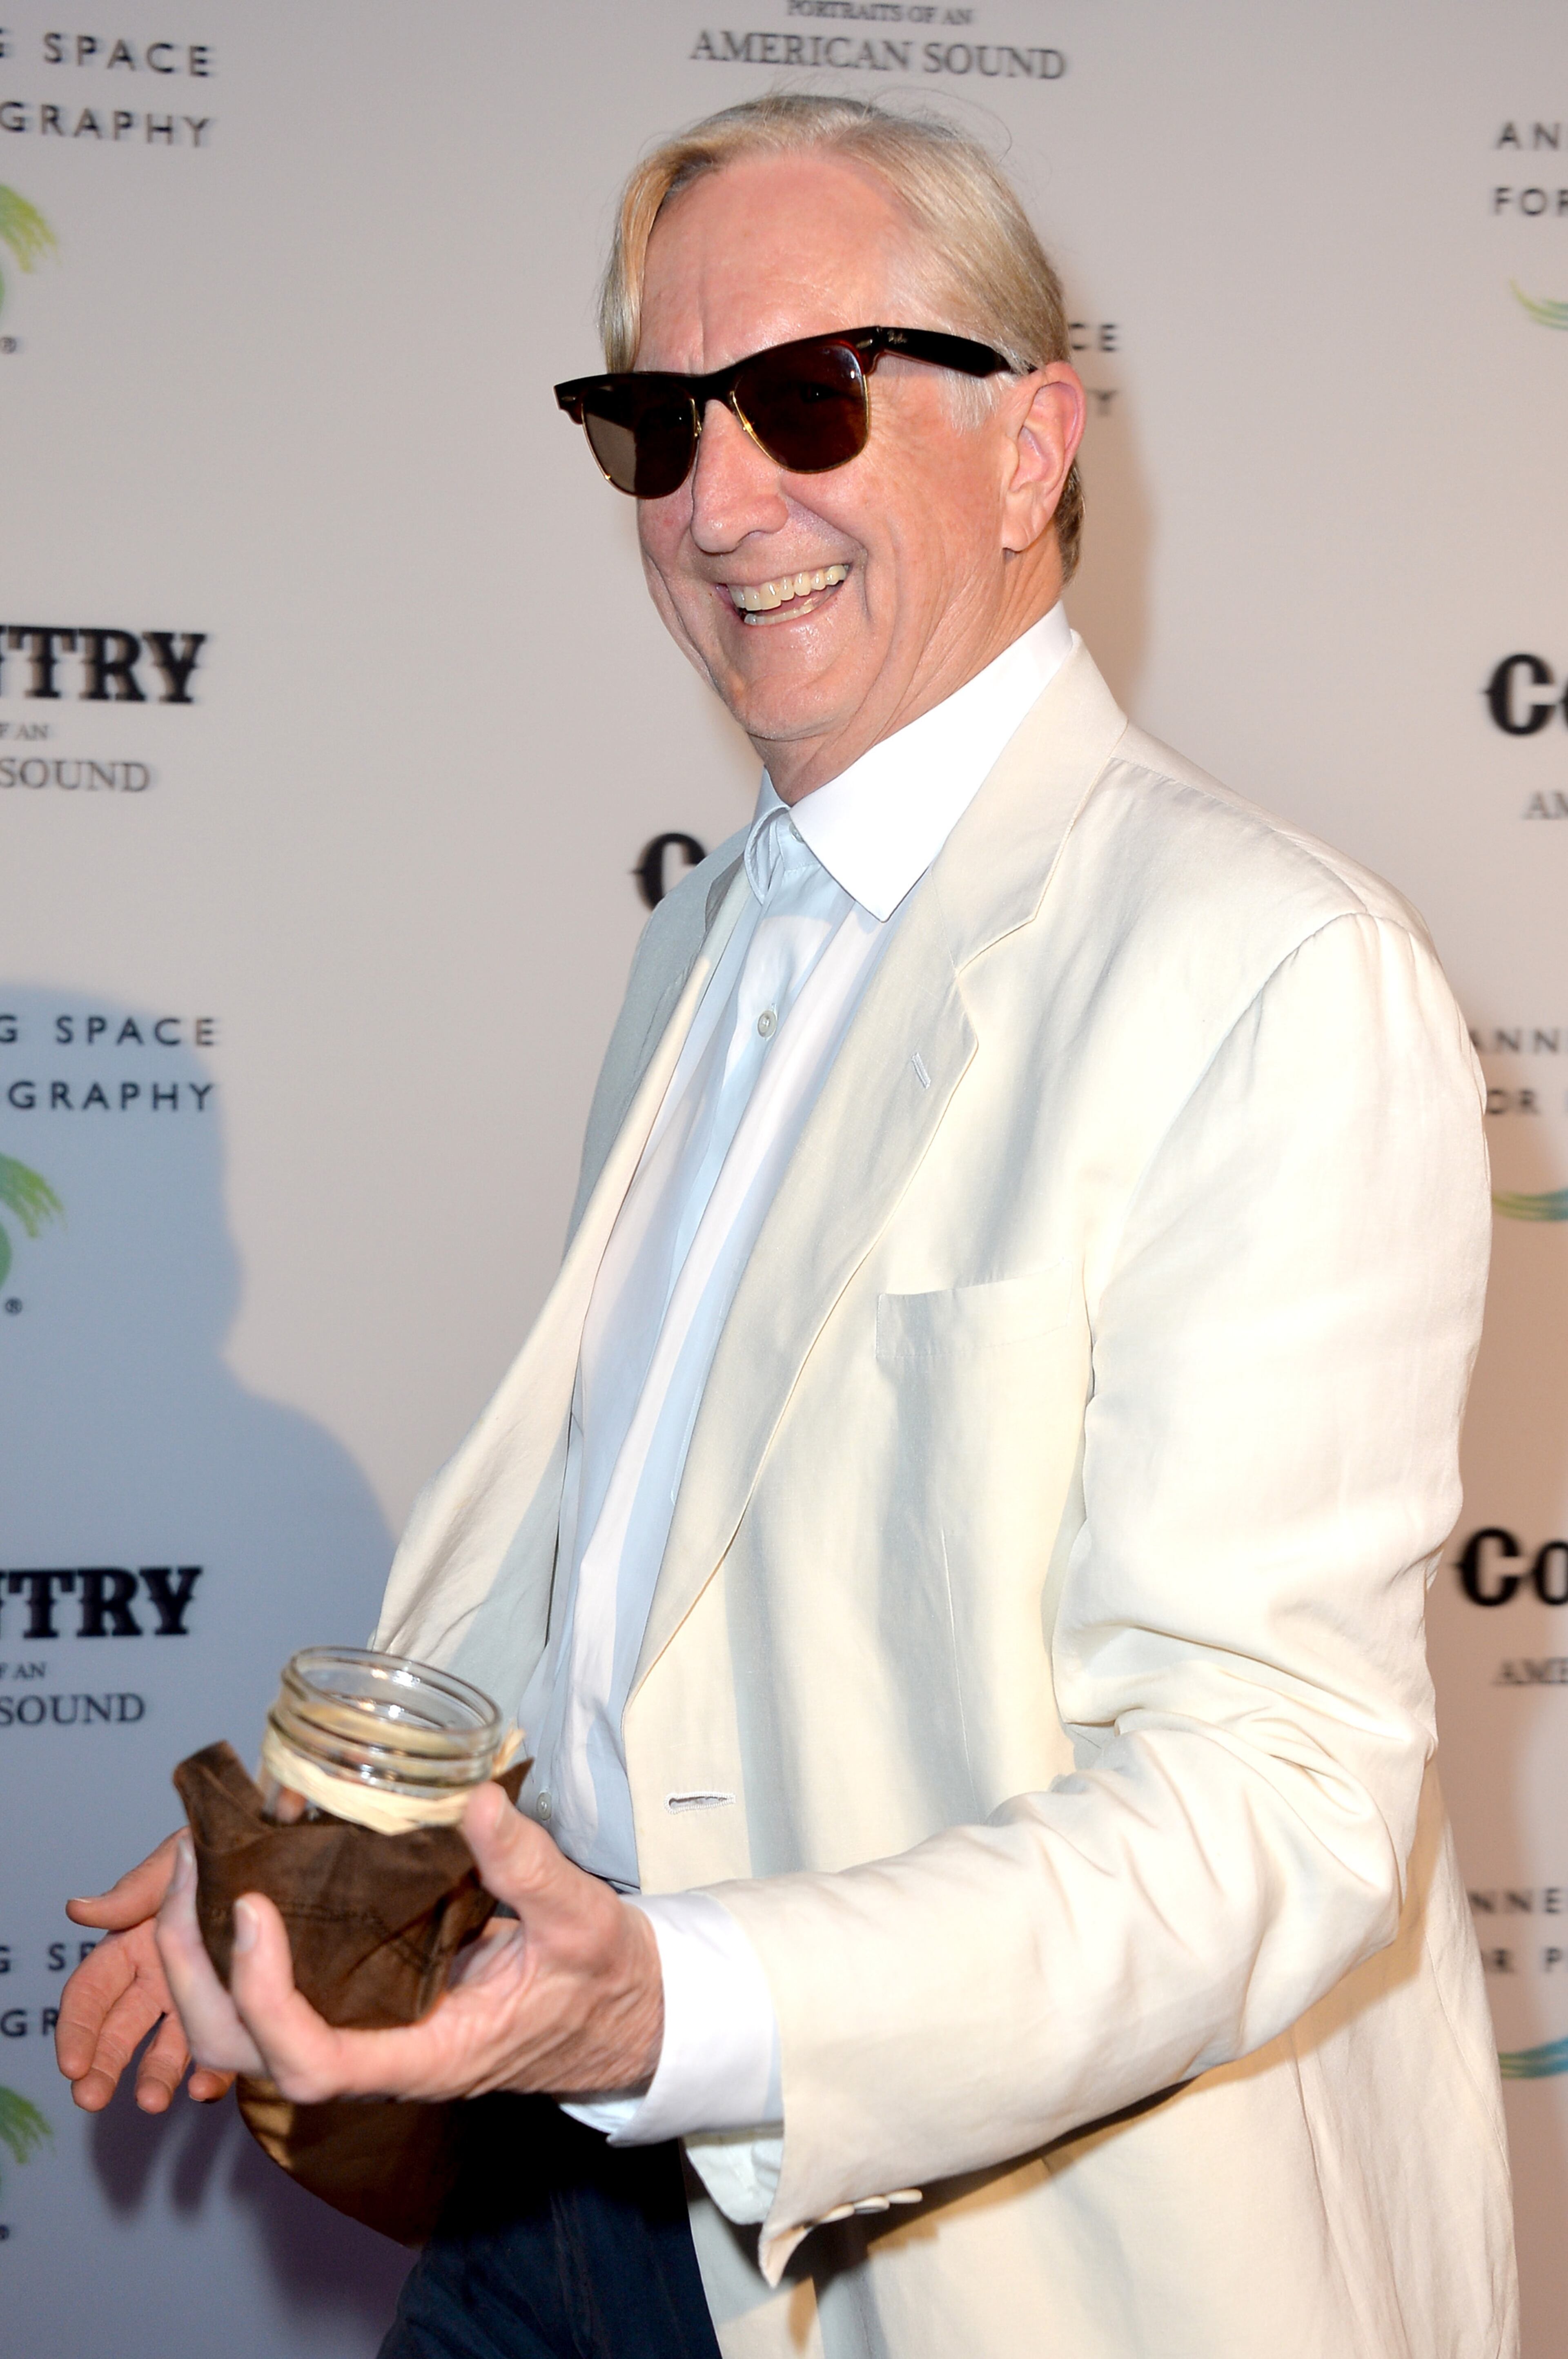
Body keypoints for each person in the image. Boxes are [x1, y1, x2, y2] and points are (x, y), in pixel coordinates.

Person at [56, 93, 1517, 2359]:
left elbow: (1271, 1804)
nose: (718, 500)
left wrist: (686, 2002)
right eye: (656, 421)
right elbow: (631, 1570)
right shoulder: (707, 941)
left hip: (983, 2263)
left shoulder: (1268, 967)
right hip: (563, 2195)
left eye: (807, 396)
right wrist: (327, 1861)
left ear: (1032, 447)